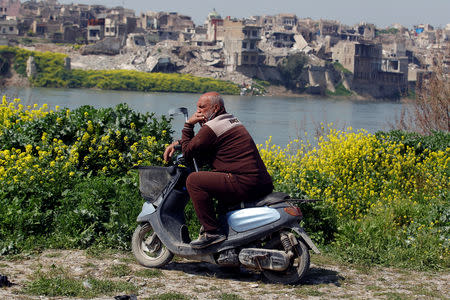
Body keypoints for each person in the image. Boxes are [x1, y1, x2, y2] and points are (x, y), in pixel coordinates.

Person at [164, 92, 273, 249]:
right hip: (258, 181)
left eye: (202, 107)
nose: (198, 111)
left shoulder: (212, 126)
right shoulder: (229, 119)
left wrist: (188, 125)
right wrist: (179, 143)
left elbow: (188, 153)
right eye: (197, 107)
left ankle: (212, 233)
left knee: (194, 181)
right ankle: (228, 247)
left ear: (215, 108)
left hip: (244, 181)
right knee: (216, 182)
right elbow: (203, 141)